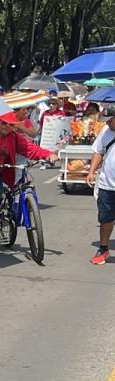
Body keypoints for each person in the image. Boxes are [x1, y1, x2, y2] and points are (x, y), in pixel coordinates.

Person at [0, 114, 56, 253]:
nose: (8, 127)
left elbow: (29, 149)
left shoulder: (13, 137)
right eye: (4, 124)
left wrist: (47, 154)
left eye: (11, 125)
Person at [86, 108, 115, 264]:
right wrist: (91, 171)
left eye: (111, 120)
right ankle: (103, 249)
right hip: (107, 184)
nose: (108, 123)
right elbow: (98, 152)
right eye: (107, 120)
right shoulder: (106, 131)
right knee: (105, 218)